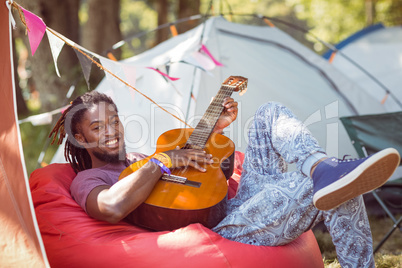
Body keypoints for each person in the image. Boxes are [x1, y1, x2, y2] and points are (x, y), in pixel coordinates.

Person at [50, 91, 399, 268]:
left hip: (232, 206)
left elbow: (209, 178)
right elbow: (111, 207)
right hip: (224, 231)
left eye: (114, 121)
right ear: (80, 138)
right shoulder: (89, 179)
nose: (111, 131)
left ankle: (320, 164)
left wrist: (212, 132)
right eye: (98, 127)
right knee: (325, 186)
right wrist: (165, 160)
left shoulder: (141, 158)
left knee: (268, 113)